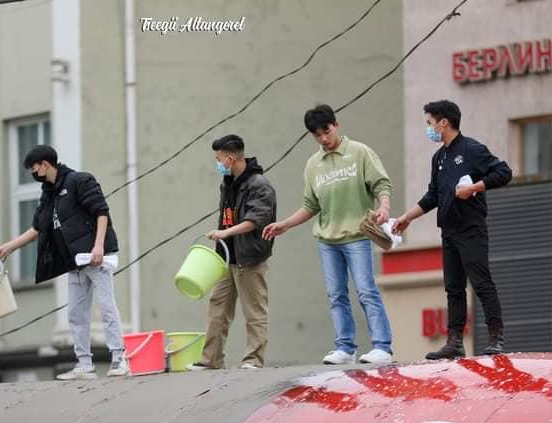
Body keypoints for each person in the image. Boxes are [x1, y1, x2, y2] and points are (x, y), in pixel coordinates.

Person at [262, 104, 394, 366]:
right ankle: (345, 348)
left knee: (366, 291)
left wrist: (384, 207)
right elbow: (311, 205)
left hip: (356, 236)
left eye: (327, 130)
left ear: (336, 125)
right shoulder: (313, 165)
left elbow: (381, 183)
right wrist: (285, 224)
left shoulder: (359, 152)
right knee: (336, 295)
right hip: (327, 241)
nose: (324, 138)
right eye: (317, 135)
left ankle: (382, 347)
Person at [0, 145, 128, 380]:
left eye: (34, 168)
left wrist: (98, 246)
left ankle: (119, 358)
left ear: (44, 165)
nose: (33, 174)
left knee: (106, 307)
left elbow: (101, 212)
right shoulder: (48, 194)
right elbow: (37, 229)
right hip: (73, 262)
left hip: (96, 257)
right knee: (76, 313)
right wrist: (8, 248)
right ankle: (84, 364)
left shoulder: (79, 180)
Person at [391, 99, 512, 358]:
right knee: (453, 287)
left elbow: (503, 172)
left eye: (430, 123)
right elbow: (432, 196)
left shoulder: (472, 149)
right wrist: (406, 218)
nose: (429, 129)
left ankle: (496, 337)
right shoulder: (439, 158)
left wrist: (474, 188)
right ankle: (455, 342)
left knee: (481, 283)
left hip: (471, 228)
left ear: (443, 122)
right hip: (449, 230)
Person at [188, 134, 276, 371]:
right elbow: (227, 217)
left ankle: (253, 360)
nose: (217, 163)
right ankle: (211, 359)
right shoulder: (228, 183)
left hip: (250, 258)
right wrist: (221, 238)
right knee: (217, 307)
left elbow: (255, 220)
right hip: (227, 258)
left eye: (218, 158)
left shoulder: (259, 185)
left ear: (230, 157)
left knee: (254, 311)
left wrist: (225, 234)